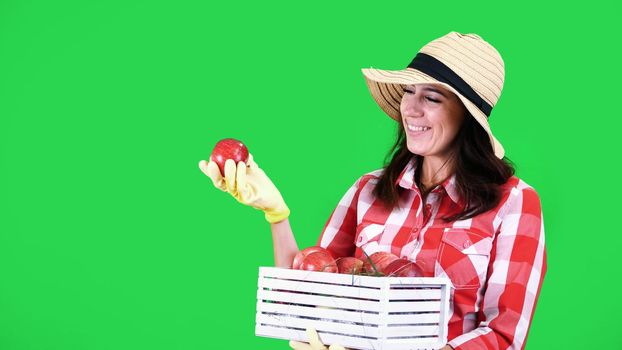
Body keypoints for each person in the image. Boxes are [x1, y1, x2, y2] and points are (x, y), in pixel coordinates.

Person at [199, 31, 547, 350]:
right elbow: (306, 299)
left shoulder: (514, 202)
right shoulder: (367, 189)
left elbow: (503, 337)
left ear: (468, 117)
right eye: (409, 91)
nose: (410, 108)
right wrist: (276, 215)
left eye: (433, 98)